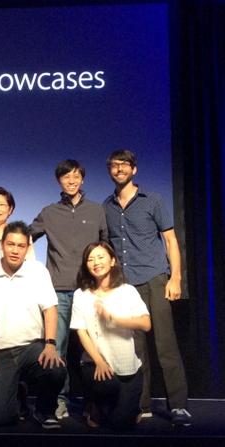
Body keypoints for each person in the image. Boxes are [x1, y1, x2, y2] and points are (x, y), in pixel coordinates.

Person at [103, 150, 191, 426]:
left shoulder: (153, 200)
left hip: (154, 278)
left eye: (124, 165)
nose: (119, 169)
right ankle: (141, 405)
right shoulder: (107, 206)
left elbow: (170, 241)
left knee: (165, 344)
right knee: (136, 348)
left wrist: (176, 278)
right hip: (126, 284)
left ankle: (178, 406)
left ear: (134, 169)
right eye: (114, 166)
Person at [30, 159, 108, 419]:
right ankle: (59, 401)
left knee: (92, 349)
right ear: (59, 181)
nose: (71, 181)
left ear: (82, 179)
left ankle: (92, 402)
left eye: (76, 176)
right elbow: (25, 238)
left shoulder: (96, 210)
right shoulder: (49, 212)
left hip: (90, 290)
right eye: (66, 177)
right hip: (59, 291)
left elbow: (106, 247)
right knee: (58, 349)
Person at [0, 221, 66, 428]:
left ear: (28, 248)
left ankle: (44, 411)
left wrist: (50, 344)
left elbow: (50, 309)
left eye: (21, 246)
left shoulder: (38, 271)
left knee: (55, 369)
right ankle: (18, 393)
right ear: (2, 245)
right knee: (2, 418)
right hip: (0, 351)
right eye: (11, 244)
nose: (15, 250)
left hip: (32, 348)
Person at [70, 241, 151, 429]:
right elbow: (81, 331)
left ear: (112, 261)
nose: (96, 262)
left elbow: (145, 324)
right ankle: (94, 406)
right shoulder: (81, 294)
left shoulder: (127, 291)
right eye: (90, 259)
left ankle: (127, 408)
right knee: (105, 391)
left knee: (121, 424)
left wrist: (112, 319)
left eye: (100, 257)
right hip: (95, 364)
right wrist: (99, 361)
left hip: (127, 367)